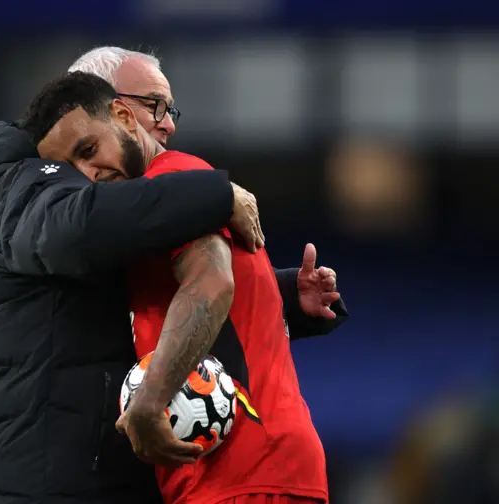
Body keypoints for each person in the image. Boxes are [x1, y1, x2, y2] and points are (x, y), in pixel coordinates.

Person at [24, 71, 333, 504]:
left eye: (90, 150)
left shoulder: (175, 181)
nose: (88, 174)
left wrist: (150, 401)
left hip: (248, 474)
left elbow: (212, 281)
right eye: (73, 169)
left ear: (122, 115)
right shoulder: (149, 210)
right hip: (233, 477)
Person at [0, 99, 264, 503]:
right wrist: (215, 195)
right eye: (77, 160)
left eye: (89, 151)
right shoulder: (28, 181)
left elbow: (149, 297)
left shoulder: (105, 221)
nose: (89, 173)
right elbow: (80, 227)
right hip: (42, 489)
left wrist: (285, 298)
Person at [69, 46, 348, 340]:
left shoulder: (173, 188)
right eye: (154, 105)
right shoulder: (42, 190)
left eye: (169, 109)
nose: (169, 125)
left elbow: (188, 285)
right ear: (107, 107)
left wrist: (282, 294)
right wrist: (215, 193)